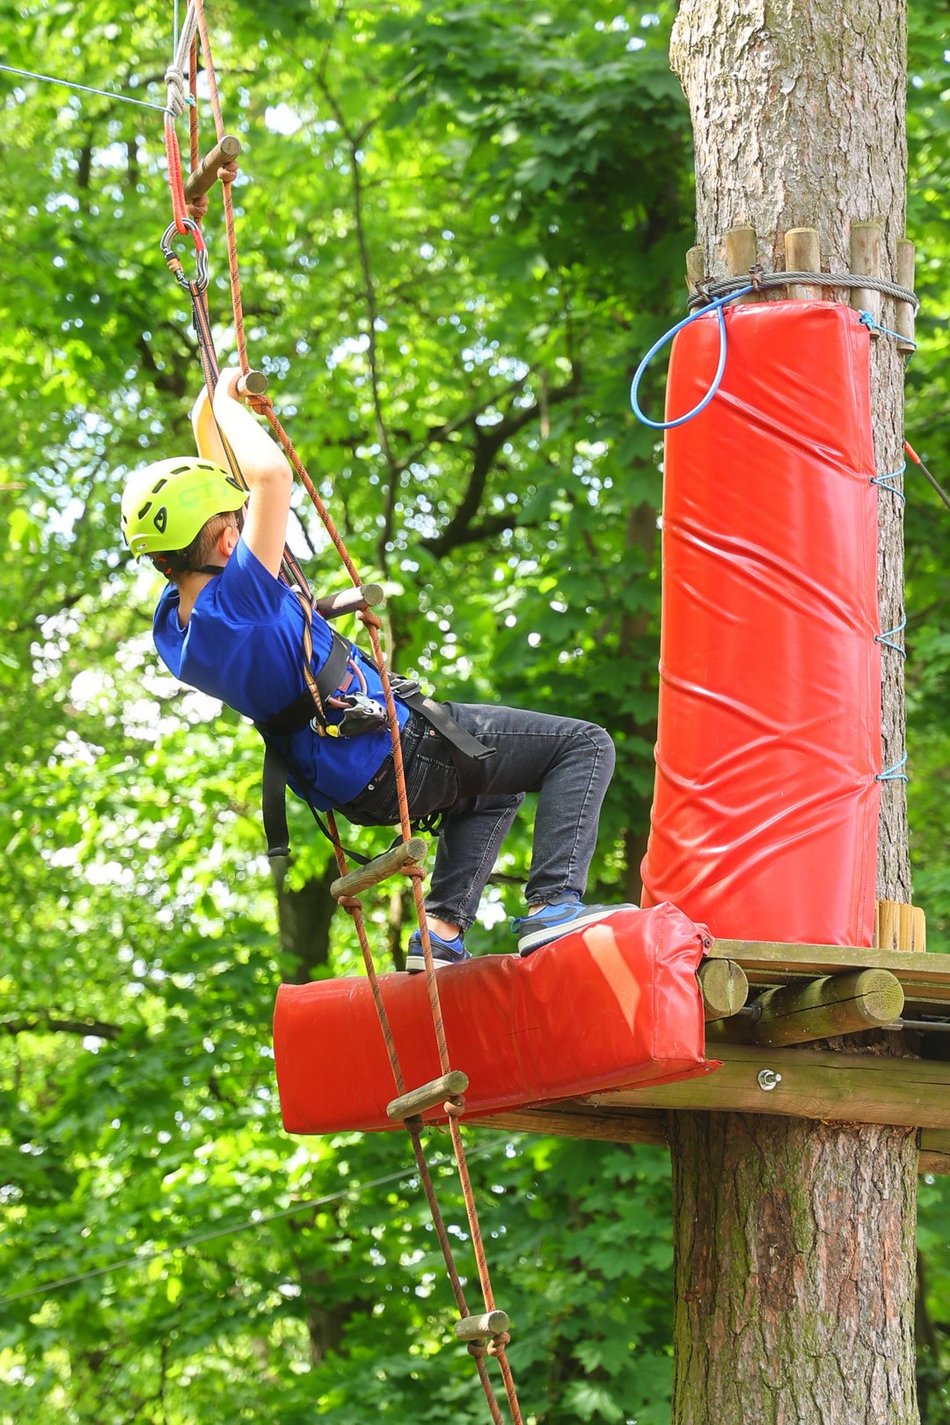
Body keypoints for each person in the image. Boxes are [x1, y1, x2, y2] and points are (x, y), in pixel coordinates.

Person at [120, 367, 628, 970]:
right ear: (229, 543)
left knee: (494, 785)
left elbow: (225, 490)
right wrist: (228, 402)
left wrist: (208, 410)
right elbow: (270, 476)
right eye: (234, 521)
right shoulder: (240, 602)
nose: (245, 525)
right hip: (392, 748)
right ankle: (553, 905)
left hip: (346, 780)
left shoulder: (178, 629)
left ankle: (438, 930)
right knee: (583, 746)